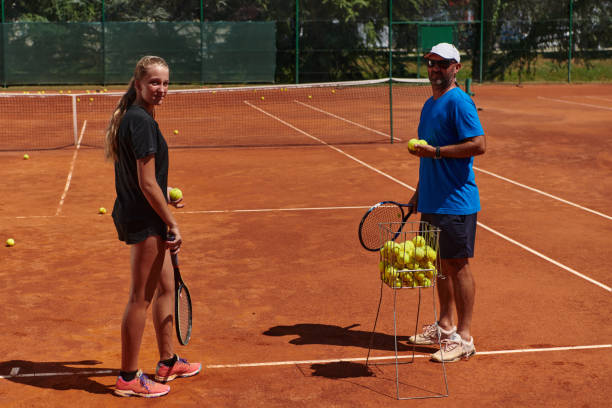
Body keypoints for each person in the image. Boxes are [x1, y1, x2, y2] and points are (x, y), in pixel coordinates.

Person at [105, 55, 201, 397]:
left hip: (148, 212)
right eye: (155, 83)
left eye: (165, 83)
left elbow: (147, 180)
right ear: (139, 84)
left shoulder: (137, 116)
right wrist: (171, 221)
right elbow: (146, 183)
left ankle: (167, 361)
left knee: (166, 289)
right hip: (146, 219)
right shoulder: (140, 120)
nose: (161, 89)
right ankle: (128, 378)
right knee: (139, 298)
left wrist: (166, 198)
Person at [406, 43, 486, 362]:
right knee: (438, 264)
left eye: (442, 64)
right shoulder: (429, 105)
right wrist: (418, 193)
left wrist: (437, 152)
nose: (435, 69)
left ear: (456, 68)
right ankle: (445, 324)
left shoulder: (459, 102)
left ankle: (464, 337)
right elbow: (427, 155)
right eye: (431, 63)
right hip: (433, 199)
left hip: (456, 201)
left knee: (458, 265)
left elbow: (478, 144)